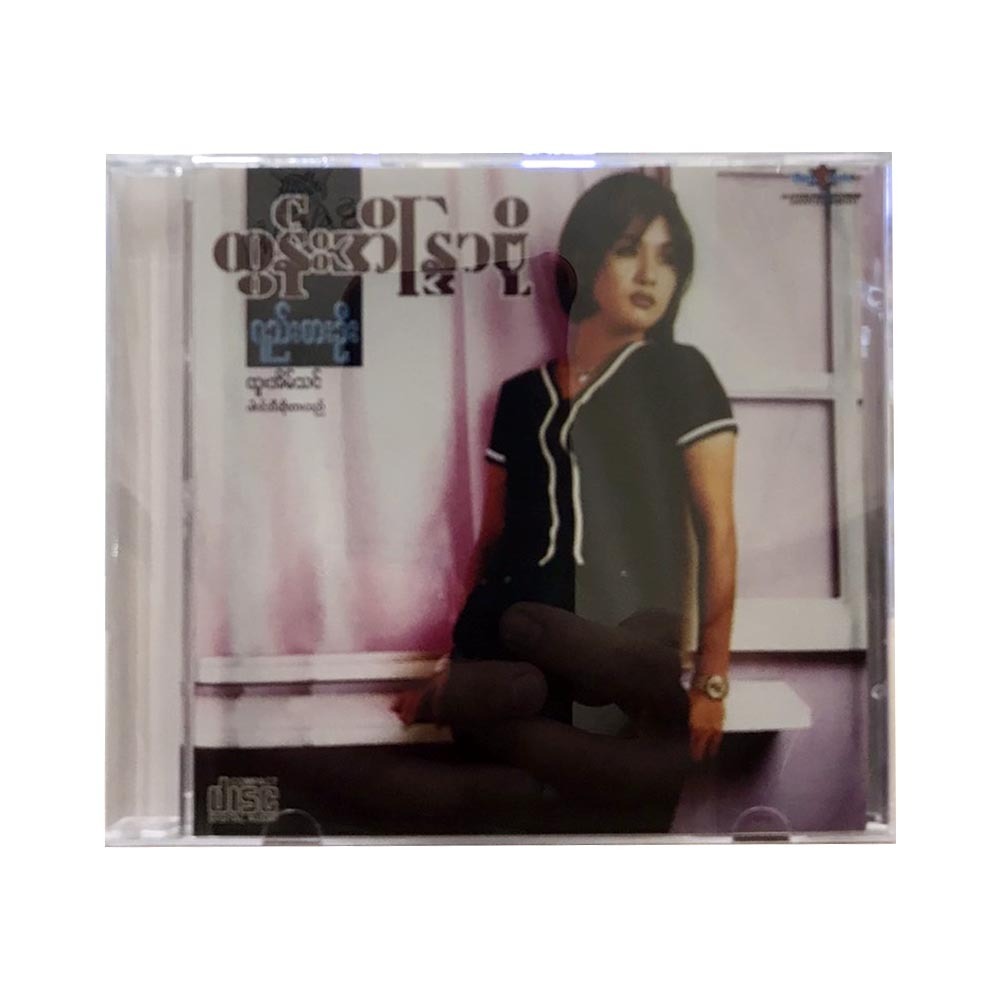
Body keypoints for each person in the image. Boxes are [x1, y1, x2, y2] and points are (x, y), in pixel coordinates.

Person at [397, 171, 738, 775]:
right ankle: (487, 696)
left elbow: (718, 532)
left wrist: (711, 679)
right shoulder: (520, 396)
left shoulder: (680, 374)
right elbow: (493, 540)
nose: (650, 274)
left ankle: (495, 697)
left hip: (622, 642)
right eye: (628, 250)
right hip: (523, 648)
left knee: (529, 630)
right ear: (584, 258)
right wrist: (456, 659)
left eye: (668, 258)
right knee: (521, 670)